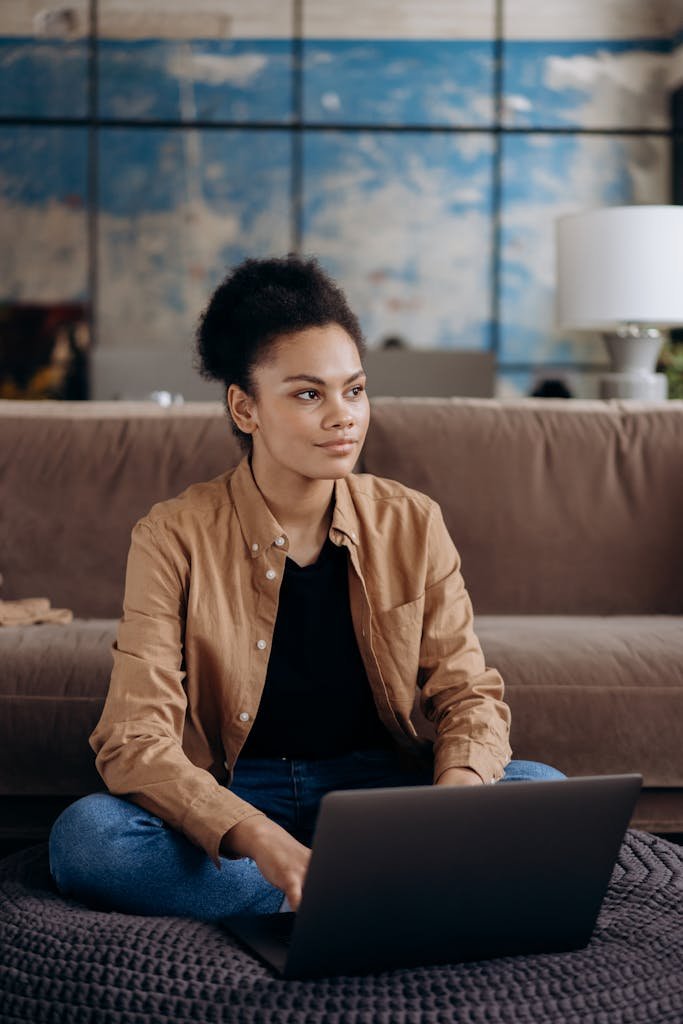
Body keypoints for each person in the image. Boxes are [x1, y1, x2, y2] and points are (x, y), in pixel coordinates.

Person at [49, 255, 563, 919]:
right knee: (90, 840)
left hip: (381, 788)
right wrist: (257, 837)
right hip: (238, 796)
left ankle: (325, 888)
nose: (342, 416)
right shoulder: (171, 535)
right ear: (245, 406)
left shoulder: (411, 520)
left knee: (541, 791)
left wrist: (454, 797)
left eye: (354, 390)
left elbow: (466, 692)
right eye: (307, 393)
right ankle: (380, 888)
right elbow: (134, 739)